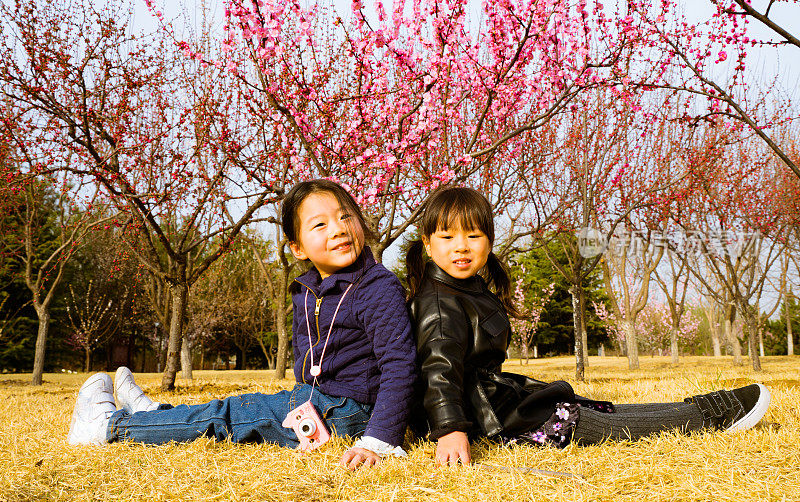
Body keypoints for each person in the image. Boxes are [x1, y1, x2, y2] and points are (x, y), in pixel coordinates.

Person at [405, 186, 771, 466]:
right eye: (447, 237)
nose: (461, 247)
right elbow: (439, 370)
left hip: (498, 403)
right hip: (487, 418)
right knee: (594, 424)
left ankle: (707, 408)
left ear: (489, 241)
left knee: (601, 410)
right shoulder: (438, 302)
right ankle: (710, 417)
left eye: (473, 235)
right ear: (427, 243)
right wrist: (451, 431)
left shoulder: (466, 286)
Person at [67, 179, 417, 470]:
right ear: (297, 248)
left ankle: (108, 427)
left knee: (227, 418)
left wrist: (379, 439)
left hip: (346, 412)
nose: (339, 229)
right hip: (320, 400)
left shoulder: (376, 286)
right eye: (320, 224)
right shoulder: (310, 288)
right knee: (239, 406)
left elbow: (399, 364)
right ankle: (156, 414)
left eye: (346, 217)